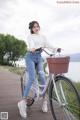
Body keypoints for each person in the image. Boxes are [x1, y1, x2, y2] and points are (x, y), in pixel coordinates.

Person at [18, 21, 60, 119]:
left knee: (42, 76)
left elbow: (49, 45)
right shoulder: (30, 37)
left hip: (39, 58)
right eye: (34, 27)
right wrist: (32, 48)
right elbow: (31, 44)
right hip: (30, 57)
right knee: (32, 78)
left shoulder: (43, 37)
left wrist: (56, 48)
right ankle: (23, 102)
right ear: (31, 29)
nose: (36, 28)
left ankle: (44, 100)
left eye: (37, 26)